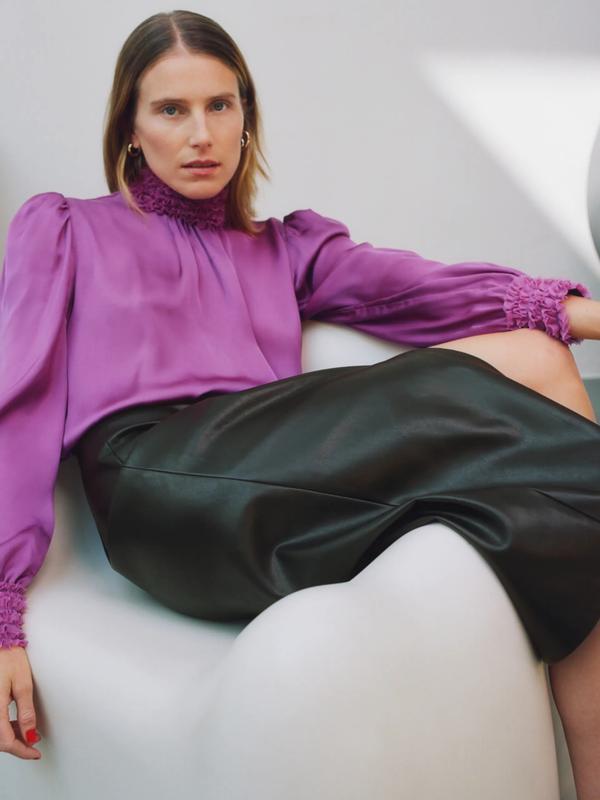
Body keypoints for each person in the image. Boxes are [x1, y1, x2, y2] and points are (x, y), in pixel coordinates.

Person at [1, 8, 599, 795]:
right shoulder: (66, 229)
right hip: (158, 488)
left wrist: (584, 315)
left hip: (275, 482)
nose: (201, 134)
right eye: (171, 110)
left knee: (553, 483)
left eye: (220, 105)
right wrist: (3, 614)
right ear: (131, 130)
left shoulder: (286, 248)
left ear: (246, 116)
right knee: (447, 389)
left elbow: (417, 288)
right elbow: (18, 403)